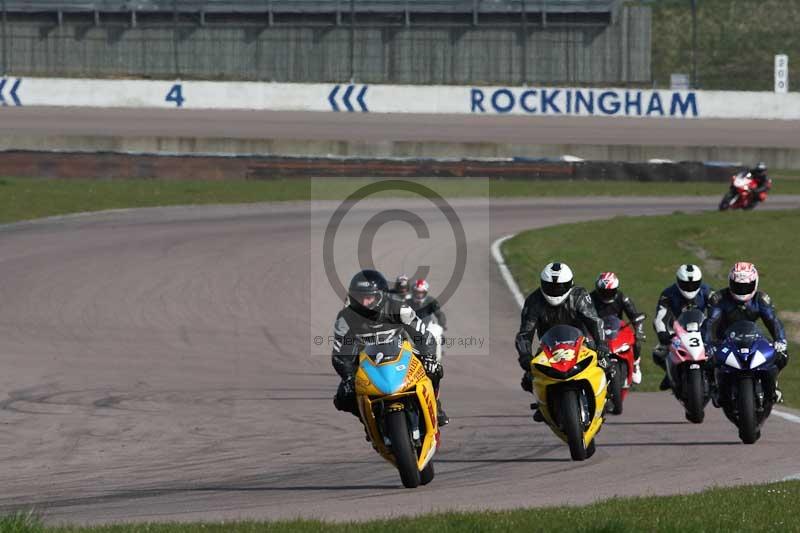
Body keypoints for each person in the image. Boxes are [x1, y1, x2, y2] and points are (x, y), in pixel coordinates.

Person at [332, 269, 449, 426]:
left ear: (380, 295)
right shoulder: (345, 318)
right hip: (366, 363)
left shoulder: (400, 309)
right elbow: (340, 354)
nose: (364, 303)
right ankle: (368, 421)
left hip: (402, 354)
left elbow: (423, 335)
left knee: (434, 369)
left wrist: (428, 356)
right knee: (343, 398)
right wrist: (348, 376)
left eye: (369, 297)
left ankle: (436, 407)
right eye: (359, 297)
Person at [515, 262, 612, 421]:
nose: (555, 290)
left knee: (606, 363)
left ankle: (606, 396)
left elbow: (594, 321)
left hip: (582, 341)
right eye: (550, 286)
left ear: (570, 284)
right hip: (549, 346)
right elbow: (525, 333)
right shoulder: (534, 301)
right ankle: (543, 404)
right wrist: (524, 355)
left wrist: (601, 343)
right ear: (542, 284)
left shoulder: (579, 295)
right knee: (529, 378)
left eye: (560, 286)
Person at [705, 262, 789, 402]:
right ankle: (714, 385)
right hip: (724, 340)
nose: (742, 290)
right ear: (730, 283)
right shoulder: (719, 298)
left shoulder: (761, 299)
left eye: (746, 286)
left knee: (782, 355)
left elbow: (773, 321)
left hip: (752, 337)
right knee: (707, 359)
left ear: (755, 283)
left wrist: (780, 340)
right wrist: (707, 344)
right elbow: (710, 322)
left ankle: (773, 383)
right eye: (738, 286)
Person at [652, 264, 714, 390]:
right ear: (678, 281)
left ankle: (714, 378)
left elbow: (717, 311)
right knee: (658, 353)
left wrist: (714, 328)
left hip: (701, 329)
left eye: (694, 284)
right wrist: (663, 333)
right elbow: (660, 316)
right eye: (686, 284)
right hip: (677, 330)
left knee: (716, 351)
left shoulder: (707, 291)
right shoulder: (668, 294)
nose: (690, 288)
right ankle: (670, 374)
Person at [590, 272, 646, 384]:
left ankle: (635, 365)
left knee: (636, 342)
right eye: (604, 292)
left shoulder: (622, 298)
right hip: (597, 331)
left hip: (617, 330)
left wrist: (639, 330)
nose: (606, 294)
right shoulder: (590, 299)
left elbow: (635, 316)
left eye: (610, 292)